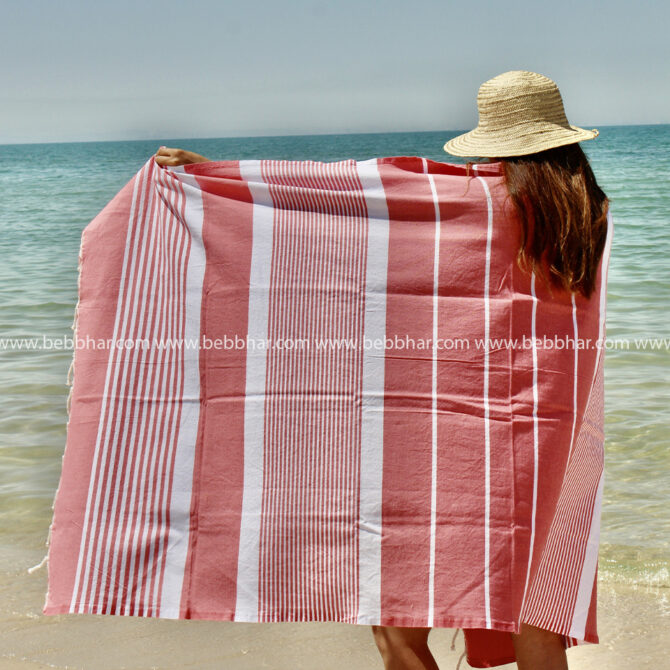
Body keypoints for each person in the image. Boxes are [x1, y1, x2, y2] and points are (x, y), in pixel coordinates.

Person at [153, 70, 609, 670]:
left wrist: (218, 178)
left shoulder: (463, 197)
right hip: (548, 430)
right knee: (534, 608)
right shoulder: (587, 212)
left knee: (397, 609)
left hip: (442, 435)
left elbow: (338, 206)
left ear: (493, 139)